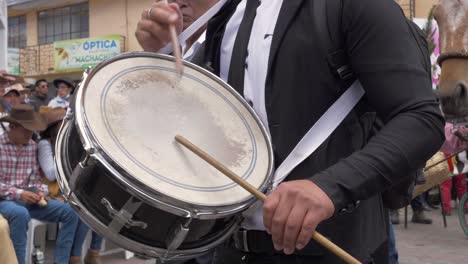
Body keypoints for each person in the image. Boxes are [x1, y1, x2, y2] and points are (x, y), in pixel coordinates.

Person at [136, 0, 445, 263]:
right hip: (228, 250)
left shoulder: (354, 5)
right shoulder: (226, 15)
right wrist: (161, 55)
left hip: (336, 248)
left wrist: (330, 187)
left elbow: (420, 118)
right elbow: (191, 123)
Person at [0, 104, 80, 264]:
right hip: (5, 200)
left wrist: (40, 190)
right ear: (13, 127)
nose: (31, 134)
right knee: (19, 214)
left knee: (72, 212)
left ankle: (61, 261)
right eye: (26, 129)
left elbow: (35, 177)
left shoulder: (32, 146)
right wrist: (20, 193)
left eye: (32, 129)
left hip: (28, 199)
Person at [39, 107, 104, 264]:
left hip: (70, 190)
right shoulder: (45, 144)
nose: (68, 128)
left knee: (99, 207)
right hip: (52, 191)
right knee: (83, 210)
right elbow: (50, 174)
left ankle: (93, 253)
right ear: (54, 127)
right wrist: (73, 156)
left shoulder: (71, 142)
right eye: (63, 124)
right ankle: (74, 257)